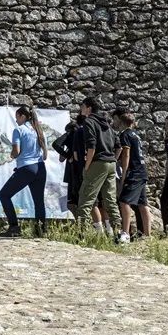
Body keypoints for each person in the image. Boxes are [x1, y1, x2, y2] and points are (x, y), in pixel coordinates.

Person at [0, 106, 47, 237]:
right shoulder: (38, 130)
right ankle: (41, 231)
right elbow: (45, 155)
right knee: (39, 201)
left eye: (17, 117)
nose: (16, 119)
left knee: (4, 195)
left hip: (27, 167)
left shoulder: (18, 130)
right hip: (40, 167)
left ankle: (14, 227)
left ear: (22, 116)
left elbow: (16, 151)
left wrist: (12, 156)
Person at [75, 97, 120, 238]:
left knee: (85, 198)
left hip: (97, 163)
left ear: (89, 108)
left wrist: (87, 166)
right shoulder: (107, 123)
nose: (81, 109)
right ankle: (119, 233)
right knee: (110, 200)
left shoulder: (89, 122)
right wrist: (112, 160)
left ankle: (81, 234)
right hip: (111, 163)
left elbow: (91, 146)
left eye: (82, 106)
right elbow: (119, 146)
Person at [113, 109, 150, 243]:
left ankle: (125, 233)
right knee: (142, 203)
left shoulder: (124, 135)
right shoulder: (136, 134)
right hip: (142, 170)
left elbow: (126, 154)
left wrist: (124, 173)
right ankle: (147, 235)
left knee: (124, 201)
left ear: (122, 122)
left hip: (133, 172)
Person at [52, 118, 83, 217]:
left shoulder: (70, 134)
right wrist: (66, 154)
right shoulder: (82, 135)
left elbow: (56, 144)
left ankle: (79, 221)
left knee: (72, 198)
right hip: (83, 169)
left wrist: (67, 155)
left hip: (73, 170)